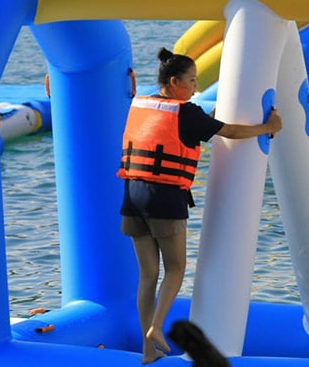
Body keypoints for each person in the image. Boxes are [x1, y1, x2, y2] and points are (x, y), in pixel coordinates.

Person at [117, 48, 283, 365]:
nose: (195, 87)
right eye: (192, 81)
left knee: (148, 274)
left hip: (132, 195)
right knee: (175, 268)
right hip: (164, 197)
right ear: (174, 81)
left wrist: (210, 117)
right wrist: (268, 127)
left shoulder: (140, 104)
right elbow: (231, 132)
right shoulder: (186, 113)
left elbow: (190, 127)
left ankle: (148, 350)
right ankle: (156, 328)